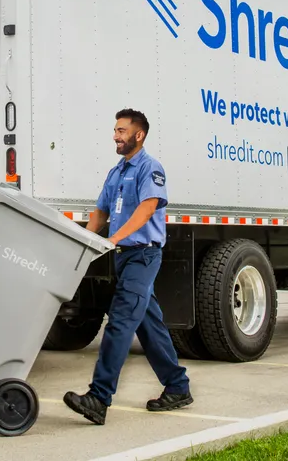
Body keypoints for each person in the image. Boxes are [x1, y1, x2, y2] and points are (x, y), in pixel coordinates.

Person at [63, 109, 192, 425]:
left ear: (139, 135)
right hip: (124, 257)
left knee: (120, 321)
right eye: (115, 130)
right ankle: (178, 386)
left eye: (122, 130)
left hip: (143, 256)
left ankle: (99, 397)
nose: (116, 135)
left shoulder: (150, 168)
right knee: (150, 325)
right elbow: (99, 212)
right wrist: (82, 241)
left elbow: (148, 209)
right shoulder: (116, 173)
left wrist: (115, 238)